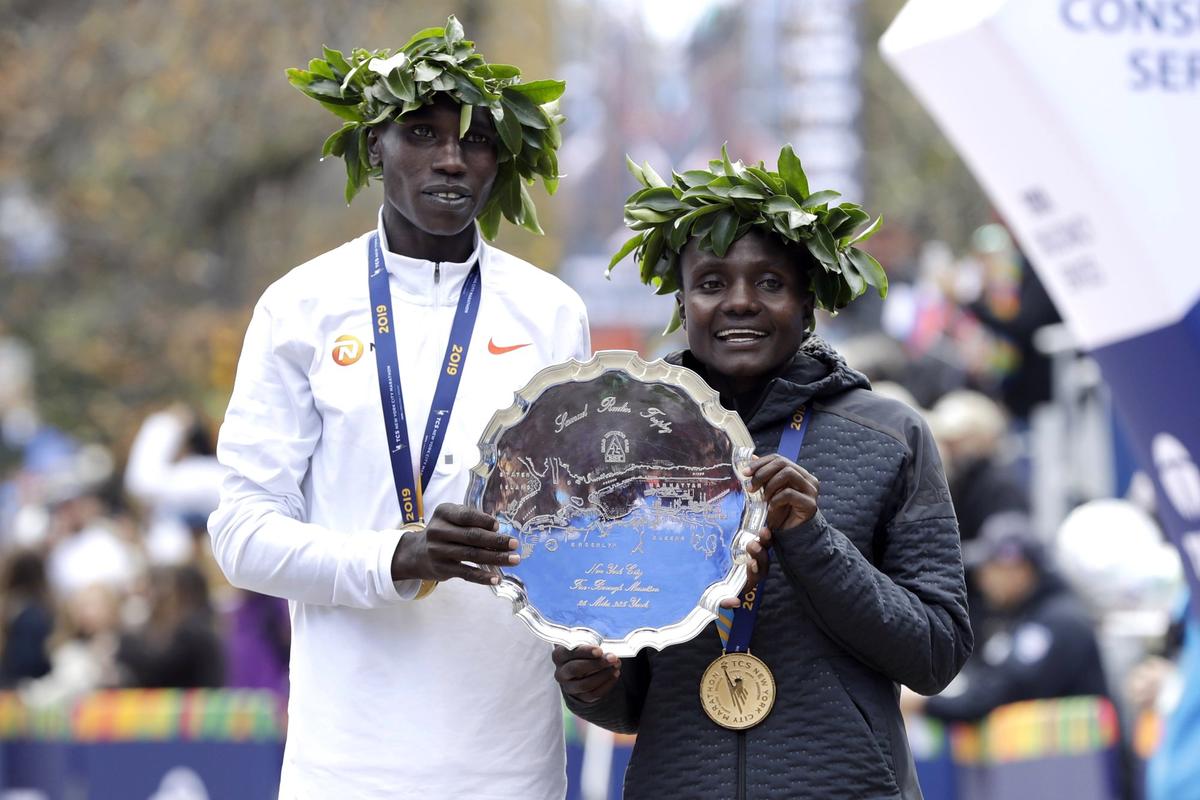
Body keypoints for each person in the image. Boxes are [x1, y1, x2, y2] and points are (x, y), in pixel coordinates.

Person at [208, 18, 589, 799]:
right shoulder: (301, 307)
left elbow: (581, 523)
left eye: (476, 139)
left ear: (502, 159)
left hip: (511, 766)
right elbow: (241, 536)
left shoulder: (552, 313)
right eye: (422, 133)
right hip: (345, 765)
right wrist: (395, 558)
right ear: (373, 145)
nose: (451, 158)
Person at [555, 147, 971, 799]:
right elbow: (634, 699)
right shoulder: (629, 448)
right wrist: (595, 687)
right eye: (712, 283)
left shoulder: (890, 436)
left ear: (809, 303)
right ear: (683, 303)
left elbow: (936, 655)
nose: (741, 302)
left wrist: (811, 539)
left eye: (771, 283)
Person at [903, 511, 1108, 722]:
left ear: (1018, 569)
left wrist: (924, 703)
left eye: (990, 568)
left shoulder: (1057, 621)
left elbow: (1000, 694)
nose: (982, 579)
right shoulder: (1027, 615)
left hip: (1084, 745)